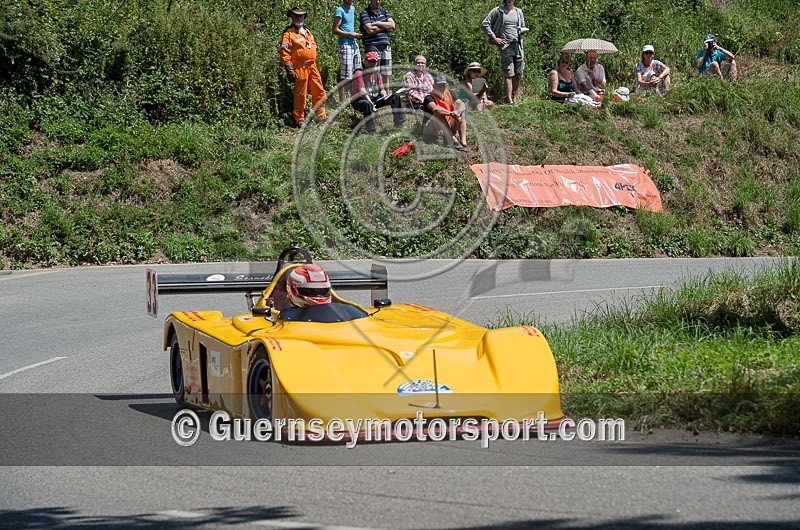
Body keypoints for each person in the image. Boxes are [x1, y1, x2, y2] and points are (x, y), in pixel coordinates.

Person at [280, 6, 326, 127]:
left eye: (301, 15)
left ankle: (320, 116)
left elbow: (313, 47)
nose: (298, 18)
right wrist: (289, 69)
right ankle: (299, 118)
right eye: (296, 15)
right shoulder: (288, 33)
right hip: (299, 68)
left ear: (304, 17)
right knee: (300, 94)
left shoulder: (308, 31)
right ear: (291, 16)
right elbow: (285, 53)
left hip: (312, 66)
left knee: (319, 91)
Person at [481, 0, 528, 105]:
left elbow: (523, 26)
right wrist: (494, 38)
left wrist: (522, 30)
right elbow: (485, 24)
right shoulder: (498, 11)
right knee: (508, 73)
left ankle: (515, 98)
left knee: (518, 73)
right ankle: (509, 100)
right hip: (506, 46)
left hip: (518, 46)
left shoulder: (519, 12)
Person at [350, 50, 406, 133]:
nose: (372, 64)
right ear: (365, 61)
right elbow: (362, 92)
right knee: (367, 104)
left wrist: (384, 94)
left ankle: (400, 123)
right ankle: (371, 130)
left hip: (374, 98)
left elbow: (382, 89)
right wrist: (372, 104)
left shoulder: (376, 73)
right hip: (360, 100)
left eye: (374, 62)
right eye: (370, 61)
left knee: (395, 96)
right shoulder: (359, 73)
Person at [422, 75, 468, 151]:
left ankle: (463, 143)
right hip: (431, 129)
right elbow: (435, 109)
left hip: (446, 124)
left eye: (443, 85)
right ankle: (452, 140)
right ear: (434, 86)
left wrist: (458, 112)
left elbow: (462, 104)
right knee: (439, 113)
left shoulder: (450, 93)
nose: (441, 88)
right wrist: (452, 113)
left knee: (462, 113)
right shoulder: (429, 98)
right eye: (439, 86)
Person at [332, 0, 363, 105]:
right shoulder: (339, 10)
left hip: (354, 44)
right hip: (345, 44)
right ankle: (342, 101)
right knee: (345, 75)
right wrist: (351, 34)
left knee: (356, 71)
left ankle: (353, 98)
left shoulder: (353, 8)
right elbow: (335, 30)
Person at [359, 0, 395, 87]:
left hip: (385, 45)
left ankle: (386, 94)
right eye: (375, 0)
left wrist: (378, 23)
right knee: (372, 73)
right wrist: (385, 26)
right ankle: (372, 93)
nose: (378, 2)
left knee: (386, 73)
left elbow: (392, 25)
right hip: (372, 45)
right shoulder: (364, 13)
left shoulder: (384, 11)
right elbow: (369, 29)